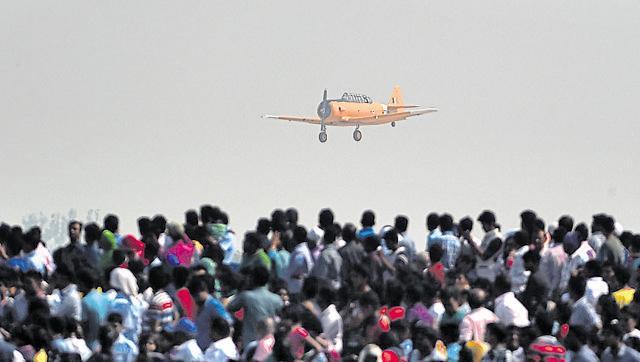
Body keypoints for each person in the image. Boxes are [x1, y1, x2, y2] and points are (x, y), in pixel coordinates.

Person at [227, 265, 283, 346]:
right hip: (270, 343)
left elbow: (230, 307)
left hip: (250, 340)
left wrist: (239, 321)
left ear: (252, 278)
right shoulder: (277, 299)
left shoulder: (246, 296)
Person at [188, 275, 232, 351]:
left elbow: (228, 323)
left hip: (212, 350)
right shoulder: (199, 305)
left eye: (196, 295)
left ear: (203, 290)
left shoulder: (214, 305)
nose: (195, 298)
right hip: (201, 349)